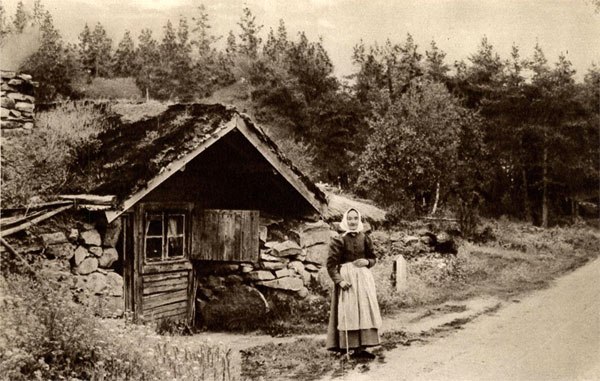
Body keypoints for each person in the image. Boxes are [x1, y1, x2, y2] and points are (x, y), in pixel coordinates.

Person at [326, 208, 382, 358]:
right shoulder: (339, 239)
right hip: (347, 279)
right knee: (349, 311)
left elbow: (373, 258)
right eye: (349, 219)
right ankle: (347, 346)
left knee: (364, 310)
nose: (352, 222)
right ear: (345, 220)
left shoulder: (365, 238)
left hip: (363, 279)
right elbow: (331, 265)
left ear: (359, 220)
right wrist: (340, 281)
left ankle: (362, 348)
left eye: (355, 218)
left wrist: (367, 261)